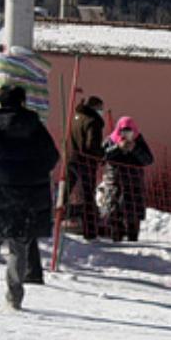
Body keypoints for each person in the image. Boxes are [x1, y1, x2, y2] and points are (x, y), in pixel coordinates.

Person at [0, 85, 59, 310]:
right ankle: (14, 297)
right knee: (19, 245)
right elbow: (52, 156)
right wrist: (34, 173)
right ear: (23, 101)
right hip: (27, 194)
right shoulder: (35, 126)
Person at [101, 116, 154, 242]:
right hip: (114, 183)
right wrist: (117, 148)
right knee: (114, 213)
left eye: (129, 131)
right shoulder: (111, 140)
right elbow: (102, 156)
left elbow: (149, 160)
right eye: (123, 130)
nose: (126, 134)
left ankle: (133, 239)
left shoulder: (139, 141)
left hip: (133, 184)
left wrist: (135, 149)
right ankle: (116, 237)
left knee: (133, 215)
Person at [68, 94, 106, 238]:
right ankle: (90, 230)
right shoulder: (93, 121)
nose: (102, 110)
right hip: (86, 161)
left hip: (72, 158)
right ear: (95, 107)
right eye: (101, 108)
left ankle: (58, 220)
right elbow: (92, 145)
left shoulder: (77, 117)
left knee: (67, 191)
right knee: (88, 195)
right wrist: (102, 154)